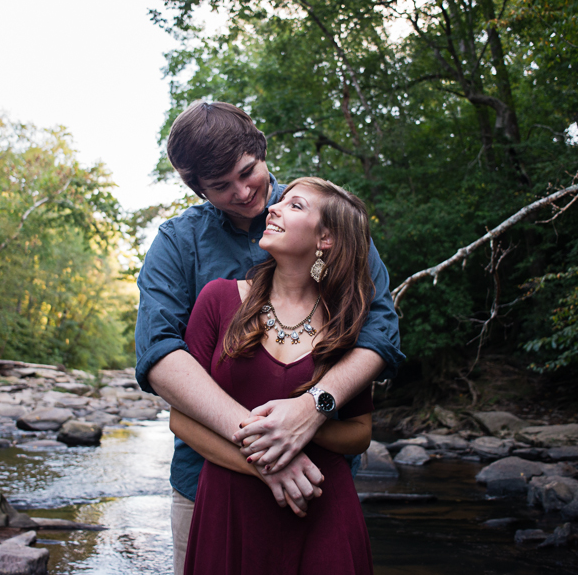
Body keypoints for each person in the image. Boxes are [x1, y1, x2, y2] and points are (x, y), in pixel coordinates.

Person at [134, 101, 402, 574]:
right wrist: (267, 452)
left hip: (318, 488)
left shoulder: (325, 217)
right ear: (197, 188)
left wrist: (310, 408)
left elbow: (378, 328)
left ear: (260, 149)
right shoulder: (179, 244)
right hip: (208, 486)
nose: (243, 193)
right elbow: (159, 355)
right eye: (220, 186)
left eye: (247, 172)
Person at [175, 176, 376, 574]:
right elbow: (181, 419)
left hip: (321, 504)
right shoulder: (216, 299)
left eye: (295, 206)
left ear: (326, 239)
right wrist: (269, 463)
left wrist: (302, 425)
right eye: (280, 203)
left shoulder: (348, 320)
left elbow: (360, 433)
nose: (273, 208)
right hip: (229, 506)